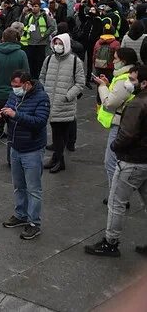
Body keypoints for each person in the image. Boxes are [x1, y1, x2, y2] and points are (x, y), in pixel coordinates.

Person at [84, 65, 147, 258]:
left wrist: (115, 147)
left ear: (144, 83)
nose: (130, 83)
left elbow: (126, 134)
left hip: (131, 161)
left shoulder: (137, 104)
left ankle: (111, 242)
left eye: (134, 80)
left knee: (116, 202)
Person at [0, 70, 50, 240]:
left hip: (32, 149)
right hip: (15, 147)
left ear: (27, 84)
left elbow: (39, 122)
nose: (14, 89)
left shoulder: (42, 98)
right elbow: (9, 117)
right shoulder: (13, 96)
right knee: (19, 185)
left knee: (33, 188)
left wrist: (16, 114)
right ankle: (20, 214)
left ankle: (34, 223)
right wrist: (0, 116)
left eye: (17, 86)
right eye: (12, 86)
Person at [94, 47, 138, 196]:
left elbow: (110, 102)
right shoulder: (125, 76)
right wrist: (107, 85)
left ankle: (116, 195)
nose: (113, 61)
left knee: (111, 162)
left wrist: (102, 87)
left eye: (115, 59)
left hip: (119, 125)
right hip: (123, 123)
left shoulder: (124, 79)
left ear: (123, 61)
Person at [39, 33, 85, 173]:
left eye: (60, 43)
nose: (57, 46)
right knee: (56, 132)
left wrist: (67, 96)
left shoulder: (75, 61)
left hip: (65, 104)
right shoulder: (49, 59)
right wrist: (44, 92)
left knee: (60, 134)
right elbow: (42, 77)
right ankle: (56, 158)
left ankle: (60, 160)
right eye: (56, 43)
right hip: (50, 103)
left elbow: (80, 83)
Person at [0, 28, 29, 166]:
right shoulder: (21, 54)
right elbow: (27, 74)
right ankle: (10, 157)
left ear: (2, 38)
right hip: (15, 94)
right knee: (12, 124)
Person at [20, 0, 55, 78]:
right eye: (33, 6)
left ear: (39, 7)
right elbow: (23, 26)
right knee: (30, 64)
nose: (34, 8)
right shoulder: (28, 16)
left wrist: (44, 35)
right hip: (30, 43)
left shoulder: (45, 16)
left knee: (39, 64)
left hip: (41, 44)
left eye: (36, 6)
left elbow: (52, 27)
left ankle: (38, 79)